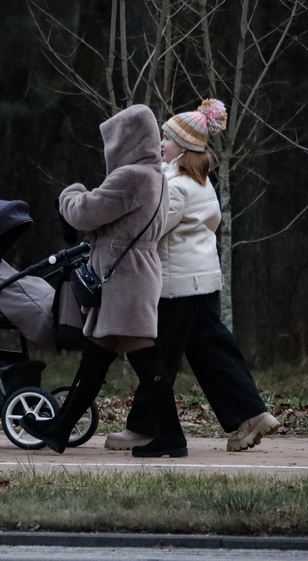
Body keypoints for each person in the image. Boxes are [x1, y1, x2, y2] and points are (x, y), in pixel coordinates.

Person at [104, 99, 280, 453]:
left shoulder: (175, 185)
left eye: (165, 139)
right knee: (211, 352)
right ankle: (251, 413)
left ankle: (147, 426)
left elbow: (151, 229)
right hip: (202, 281)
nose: (160, 145)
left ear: (182, 146)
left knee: (158, 356)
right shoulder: (201, 183)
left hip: (177, 286)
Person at [21, 104, 188, 458]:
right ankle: (60, 429)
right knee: (96, 358)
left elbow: (85, 213)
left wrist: (71, 192)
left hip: (124, 278)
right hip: (132, 273)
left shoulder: (132, 177)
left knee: (146, 360)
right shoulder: (155, 176)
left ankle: (172, 436)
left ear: (125, 140)